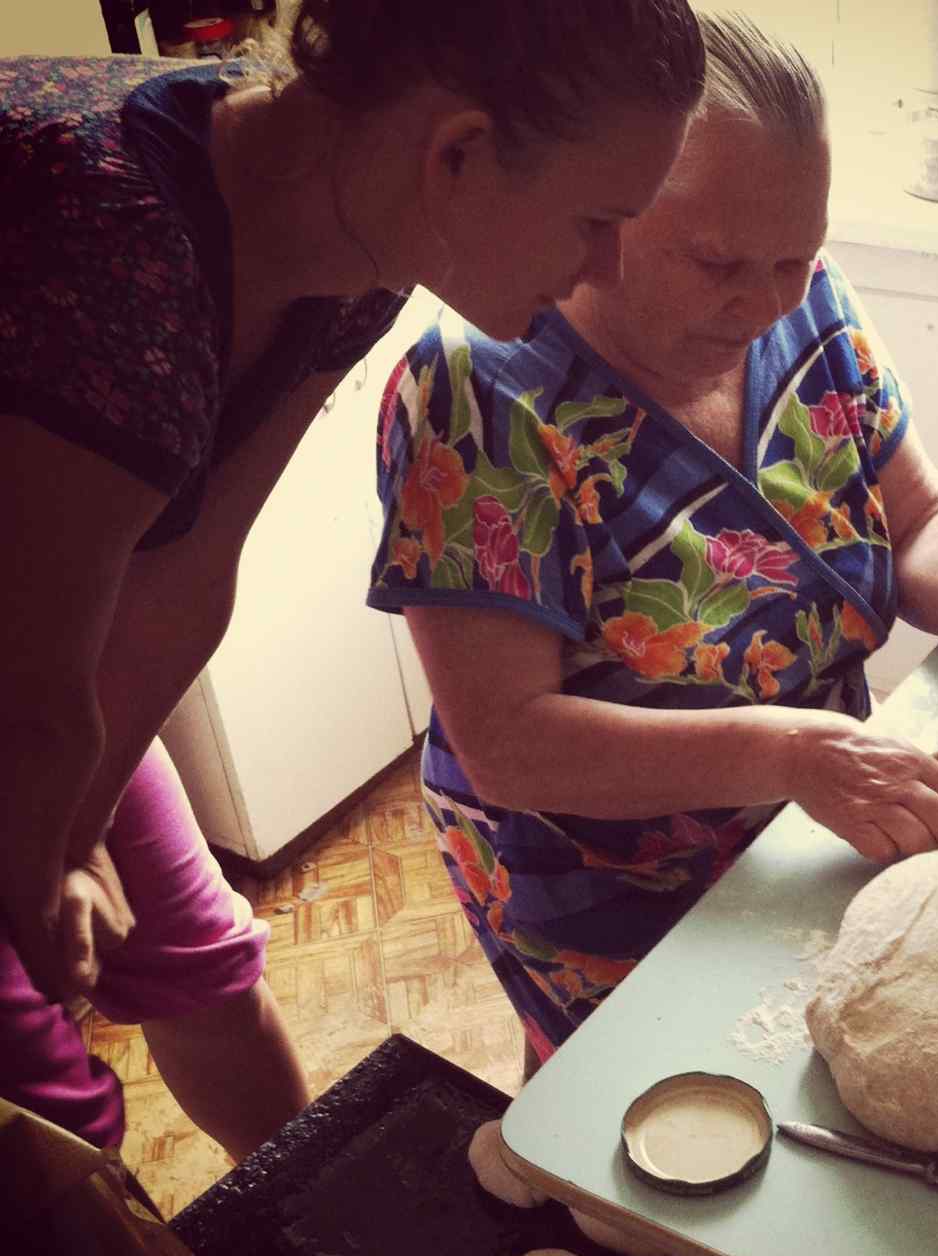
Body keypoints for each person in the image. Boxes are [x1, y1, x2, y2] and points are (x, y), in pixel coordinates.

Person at [0, 0, 705, 1154]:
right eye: (595, 218)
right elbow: (27, 703)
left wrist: (78, 835)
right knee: (52, 1117)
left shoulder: (348, 233)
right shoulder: (117, 245)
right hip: (13, 666)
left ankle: (284, 1241)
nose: (609, 265)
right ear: (458, 152)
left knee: (189, 953)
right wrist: (42, 868)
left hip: (28, 654)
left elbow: (183, 573)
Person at [367, 12, 938, 1070]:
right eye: (716, 260)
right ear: (601, 211)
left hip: (811, 826)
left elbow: (919, 516)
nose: (764, 302)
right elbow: (507, 740)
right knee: (633, 1120)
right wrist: (792, 748)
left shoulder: (807, 307)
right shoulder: (479, 392)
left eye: (792, 257)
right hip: (602, 883)